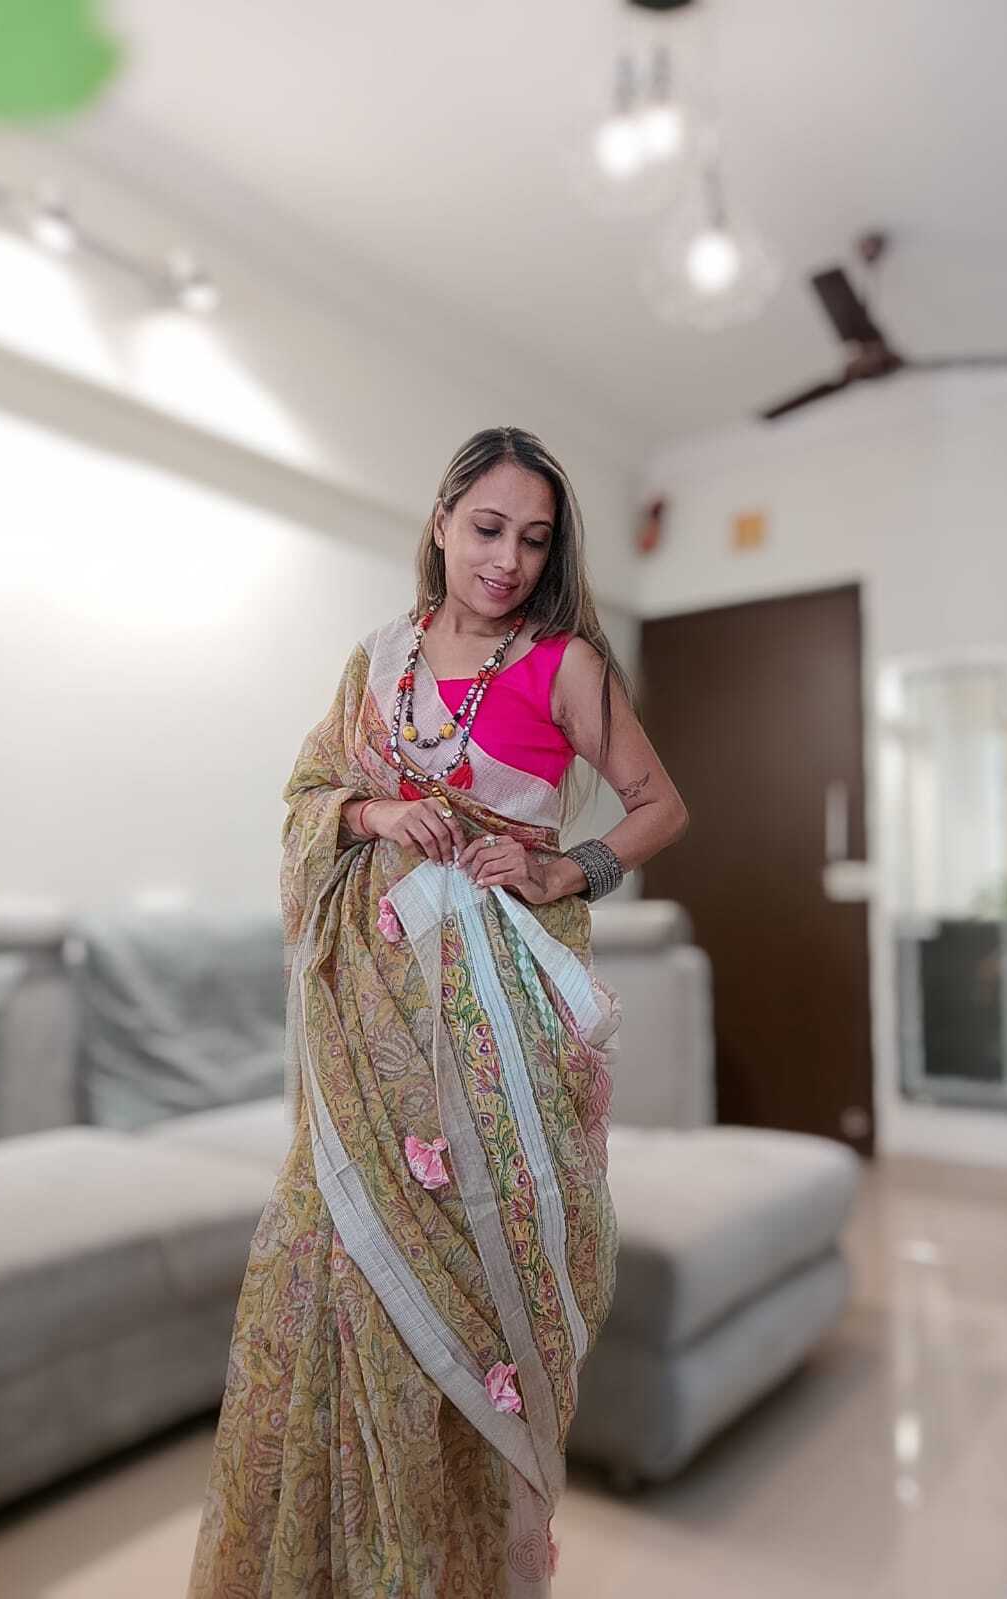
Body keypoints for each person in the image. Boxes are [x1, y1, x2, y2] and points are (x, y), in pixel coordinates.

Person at [187, 426, 688, 1597]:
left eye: (534, 540)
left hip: (499, 1031)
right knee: (335, 1279)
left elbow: (660, 805)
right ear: (441, 521)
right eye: (488, 529)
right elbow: (310, 795)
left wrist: (570, 869)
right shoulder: (375, 663)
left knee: (479, 1303)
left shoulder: (565, 665)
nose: (508, 560)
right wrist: (369, 816)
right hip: (364, 1034)